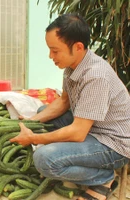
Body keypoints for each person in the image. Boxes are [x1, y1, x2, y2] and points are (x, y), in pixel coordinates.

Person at [10, 13, 130, 200]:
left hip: (114, 143)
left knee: (44, 159)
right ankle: (77, 160)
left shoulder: (95, 76)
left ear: (78, 47)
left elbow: (78, 132)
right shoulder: (72, 66)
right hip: (92, 128)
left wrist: (34, 138)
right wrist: (31, 122)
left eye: (55, 50)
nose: (51, 56)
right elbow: (64, 101)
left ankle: (103, 178)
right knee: (43, 114)